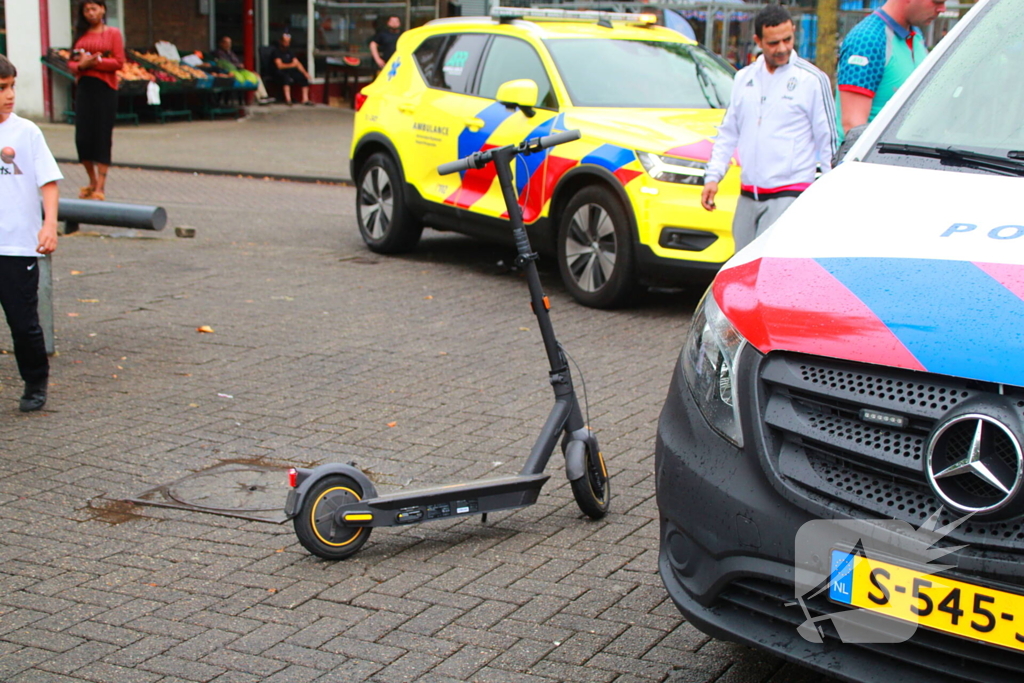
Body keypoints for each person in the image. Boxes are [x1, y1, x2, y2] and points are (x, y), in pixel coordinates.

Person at [701, 5, 837, 252]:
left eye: (788, 39)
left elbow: (828, 140)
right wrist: (713, 176)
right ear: (758, 41)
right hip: (748, 195)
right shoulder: (745, 77)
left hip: (789, 193)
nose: (783, 48)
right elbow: (729, 130)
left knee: (770, 271)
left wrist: (830, 194)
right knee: (741, 270)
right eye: (774, 43)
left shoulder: (812, 80)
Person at [0, 56, 61, 412]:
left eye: (12, 86)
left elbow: (48, 183)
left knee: (24, 326)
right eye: (1, 89)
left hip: (18, 245)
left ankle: (35, 381)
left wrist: (49, 224)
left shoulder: (27, 132)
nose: (10, 95)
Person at [835, 0, 946, 139]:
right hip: (876, 157)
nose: (942, 9)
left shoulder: (914, 34)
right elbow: (852, 126)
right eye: (937, 1)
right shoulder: (867, 40)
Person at [66, 0, 124, 202]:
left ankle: (101, 186)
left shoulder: (112, 33)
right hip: (84, 88)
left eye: (94, 8)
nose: (90, 13)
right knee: (82, 137)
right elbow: (71, 63)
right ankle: (91, 180)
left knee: (101, 135)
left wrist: (95, 62)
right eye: (86, 9)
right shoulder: (80, 34)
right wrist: (81, 66)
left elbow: (118, 62)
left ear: (103, 9)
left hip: (105, 89)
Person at [213, 36, 273, 105]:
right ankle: (260, 98)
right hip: (230, 72)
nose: (228, 45)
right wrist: (237, 65)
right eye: (226, 43)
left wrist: (239, 65)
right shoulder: (219, 53)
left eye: (230, 43)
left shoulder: (231, 53)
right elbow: (227, 64)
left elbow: (237, 62)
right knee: (248, 78)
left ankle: (263, 96)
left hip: (239, 71)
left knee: (256, 75)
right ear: (221, 43)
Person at [270, 33, 313, 106]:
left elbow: (297, 63)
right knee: (286, 78)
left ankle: (305, 99)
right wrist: (292, 65)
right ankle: (288, 100)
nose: (287, 44)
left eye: (288, 42)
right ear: (281, 41)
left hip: (290, 70)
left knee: (302, 77)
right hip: (278, 72)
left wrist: (305, 73)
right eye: (285, 41)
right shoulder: (276, 52)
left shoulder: (290, 52)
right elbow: (279, 66)